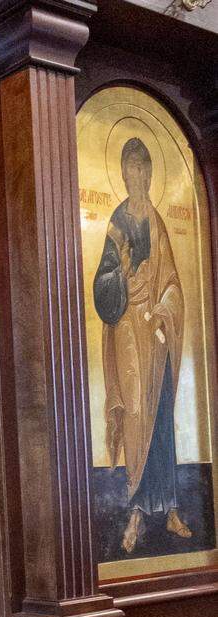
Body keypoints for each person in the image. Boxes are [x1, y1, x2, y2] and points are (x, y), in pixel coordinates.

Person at [93, 137, 190, 554]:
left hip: (155, 336)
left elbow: (171, 284)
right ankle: (135, 511)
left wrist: (162, 311)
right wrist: (125, 272)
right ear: (124, 172)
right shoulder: (117, 222)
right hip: (128, 334)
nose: (142, 176)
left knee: (162, 417)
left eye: (147, 169)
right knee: (136, 414)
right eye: (134, 168)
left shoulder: (156, 221)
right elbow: (103, 286)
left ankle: (169, 508)